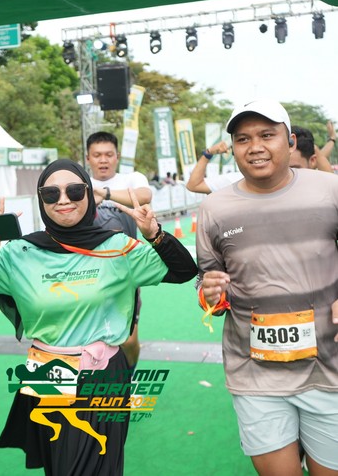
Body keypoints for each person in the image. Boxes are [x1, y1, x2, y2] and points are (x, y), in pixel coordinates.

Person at [0, 158, 197, 475]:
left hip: (101, 374)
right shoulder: (19, 252)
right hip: (46, 374)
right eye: (51, 193)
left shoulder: (118, 247)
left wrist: (155, 234)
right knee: (58, 465)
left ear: (89, 194)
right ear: (41, 200)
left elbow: (183, 270)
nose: (63, 199)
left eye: (75, 190)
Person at [195, 99, 338, 475]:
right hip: (254, 373)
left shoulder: (330, 190)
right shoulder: (215, 209)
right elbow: (208, 286)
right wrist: (210, 295)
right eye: (243, 139)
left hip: (330, 370)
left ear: (290, 142)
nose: (255, 147)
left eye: (266, 135)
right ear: (233, 149)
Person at [85, 131, 153, 368]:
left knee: (128, 340)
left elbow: (145, 196)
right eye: (97, 155)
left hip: (125, 273)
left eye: (108, 154)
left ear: (117, 156)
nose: (103, 160)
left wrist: (104, 194)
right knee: (89, 337)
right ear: (88, 158)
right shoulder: (79, 183)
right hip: (87, 272)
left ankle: (129, 373)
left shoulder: (131, 179)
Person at [188, 123, 334, 194]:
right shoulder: (236, 182)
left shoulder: (316, 190)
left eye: (294, 169)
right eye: (243, 139)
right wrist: (208, 153)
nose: (256, 148)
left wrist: (330, 140)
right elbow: (194, 185)